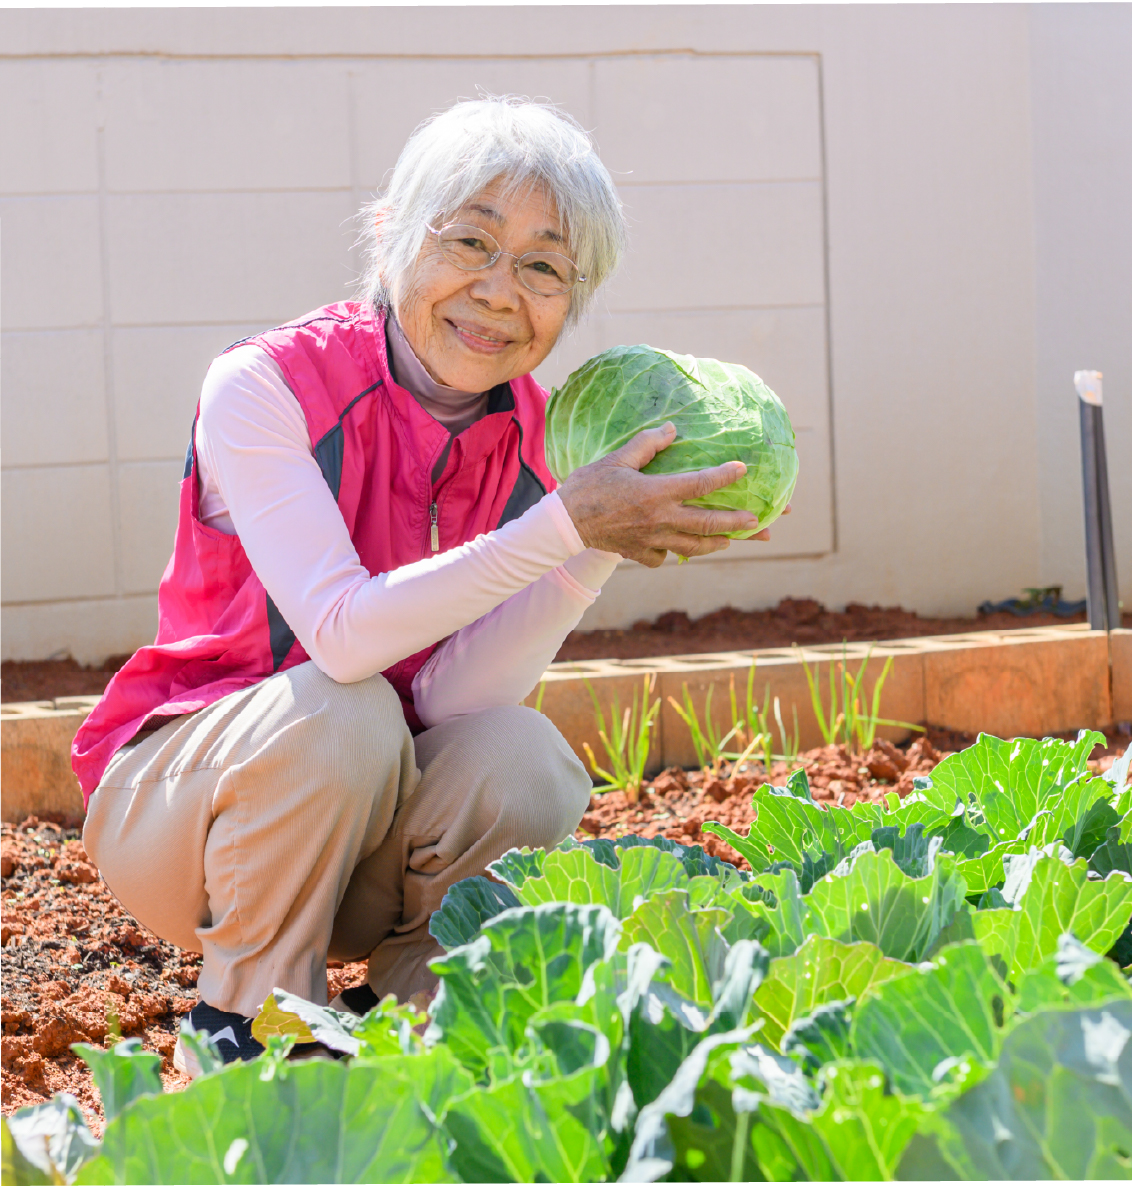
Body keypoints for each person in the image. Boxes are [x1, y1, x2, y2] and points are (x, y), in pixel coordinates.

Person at [70, 96, 773, 1075]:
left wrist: (599, 545)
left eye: (542, 267)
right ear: (388, 235)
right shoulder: (265, 386)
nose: (497, 291)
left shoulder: (545, 439)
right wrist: (565, 523)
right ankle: (246, 1024)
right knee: (341, 706)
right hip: (185, 820)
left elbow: (452, 701)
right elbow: (346, 638)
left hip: (371, 813)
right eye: (469, 241)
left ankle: (407, 1019)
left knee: (522, 752)